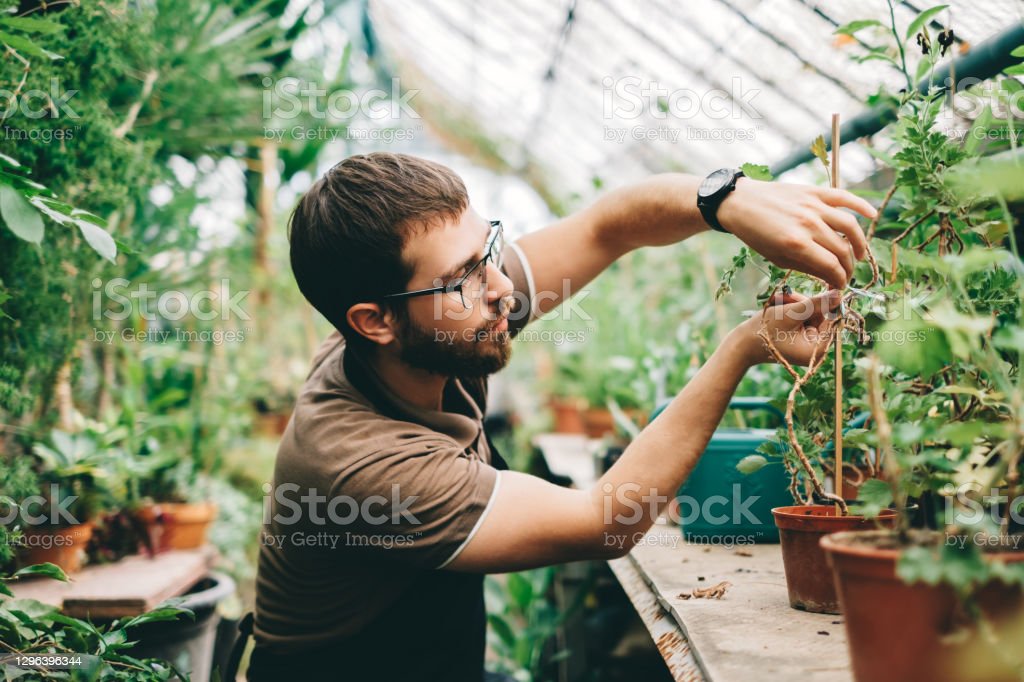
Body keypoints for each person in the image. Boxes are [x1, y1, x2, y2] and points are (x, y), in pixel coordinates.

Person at [244, 153, 875, 681]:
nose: (502, 288)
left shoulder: (422, 331)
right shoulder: (361, 463)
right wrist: (742, 347)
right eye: (463, 277)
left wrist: (727, 199)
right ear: (374, 321)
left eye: (485, 249)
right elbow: (606, 520)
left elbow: (608, 227)